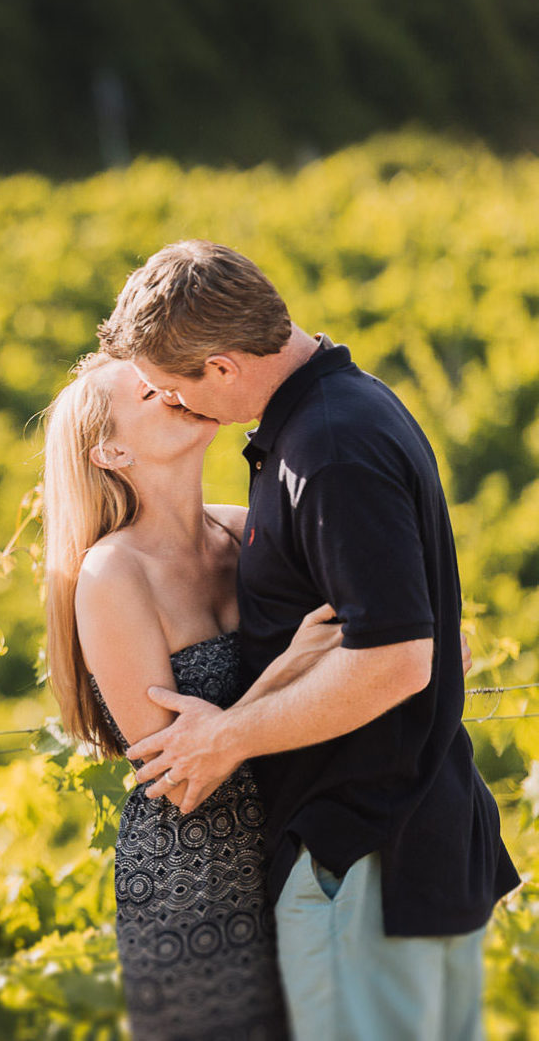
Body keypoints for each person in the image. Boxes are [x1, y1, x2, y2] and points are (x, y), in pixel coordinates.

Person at [100, 241, 519, 1041]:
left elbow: (396, 660)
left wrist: (226, 736)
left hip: (362, 855)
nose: (176, 406)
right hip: (406, 840)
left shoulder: (324, 449)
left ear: (222, 368)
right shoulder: (345, 414)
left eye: (173, 388)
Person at [43, 351, 351, 1039]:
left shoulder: (242, 530)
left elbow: (348, 645)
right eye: (150, 393)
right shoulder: (111, 574)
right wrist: (287, 672)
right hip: (195, 885)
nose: (175, 391)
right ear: (111, 449)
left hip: (296, 857)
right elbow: (179, 777)